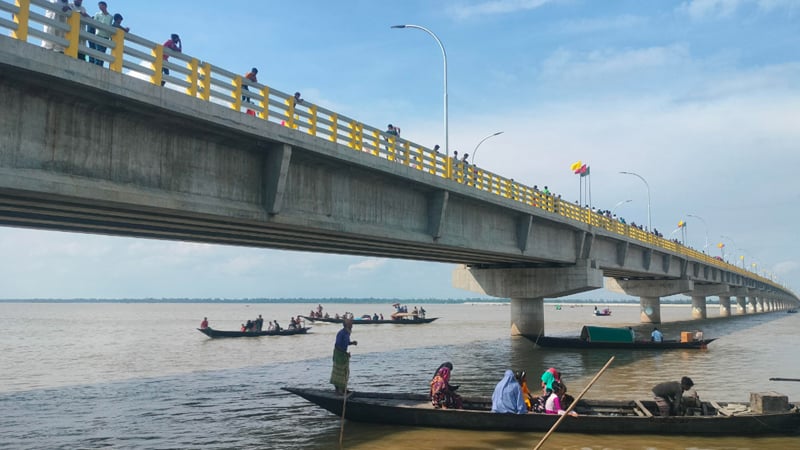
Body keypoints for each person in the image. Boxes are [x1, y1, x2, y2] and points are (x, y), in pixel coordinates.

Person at [330, 317, 357, 395]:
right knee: (338, 371)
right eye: (350, 324)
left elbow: (346, 342)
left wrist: (352, 343)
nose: (352, 325)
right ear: (346, 325)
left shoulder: (347, 333)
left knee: (345, 372)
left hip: (343, 354)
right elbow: (337, 345)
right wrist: (345, 353)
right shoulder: (341, 333)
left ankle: (343, 389)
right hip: (339, 354)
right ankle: (338, 390)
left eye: (352, 324)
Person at [90, 1, 113, 66]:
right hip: (98, 35)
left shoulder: (110, 17)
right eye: (99, 6)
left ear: (105, 6)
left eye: (101, 6)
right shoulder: (97, 14)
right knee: (98, 51)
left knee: (103, 52)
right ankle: (97, 65)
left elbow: (110, 26)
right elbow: (94, 23)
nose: (100, 7)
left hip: (106, 36)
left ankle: (101, 65)